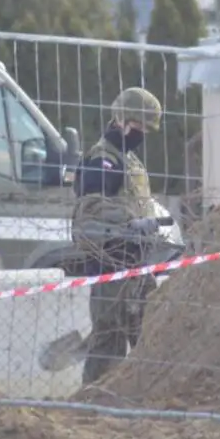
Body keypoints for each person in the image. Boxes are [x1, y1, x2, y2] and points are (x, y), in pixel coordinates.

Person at [71, 86, 164, 384]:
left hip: (137, 264)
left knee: (151, 334)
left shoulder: (129, 160)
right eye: (139, 126)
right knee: (108, 341)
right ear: (121, 120)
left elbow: (135, 201)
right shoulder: (103, 160)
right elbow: (90, 211)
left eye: (147, 129)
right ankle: (94, 401)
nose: (142, 134)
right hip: (110, 264)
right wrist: (131, 223)